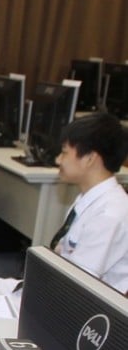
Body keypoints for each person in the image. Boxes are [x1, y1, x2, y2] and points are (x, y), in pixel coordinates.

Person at [51, 112, 128, 292]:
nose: (58, 160)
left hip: (88, 309)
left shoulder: (109, 215)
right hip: (64, 290)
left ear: (90, 158)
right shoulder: (88, 199)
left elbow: (78, 286)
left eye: (64, 153)